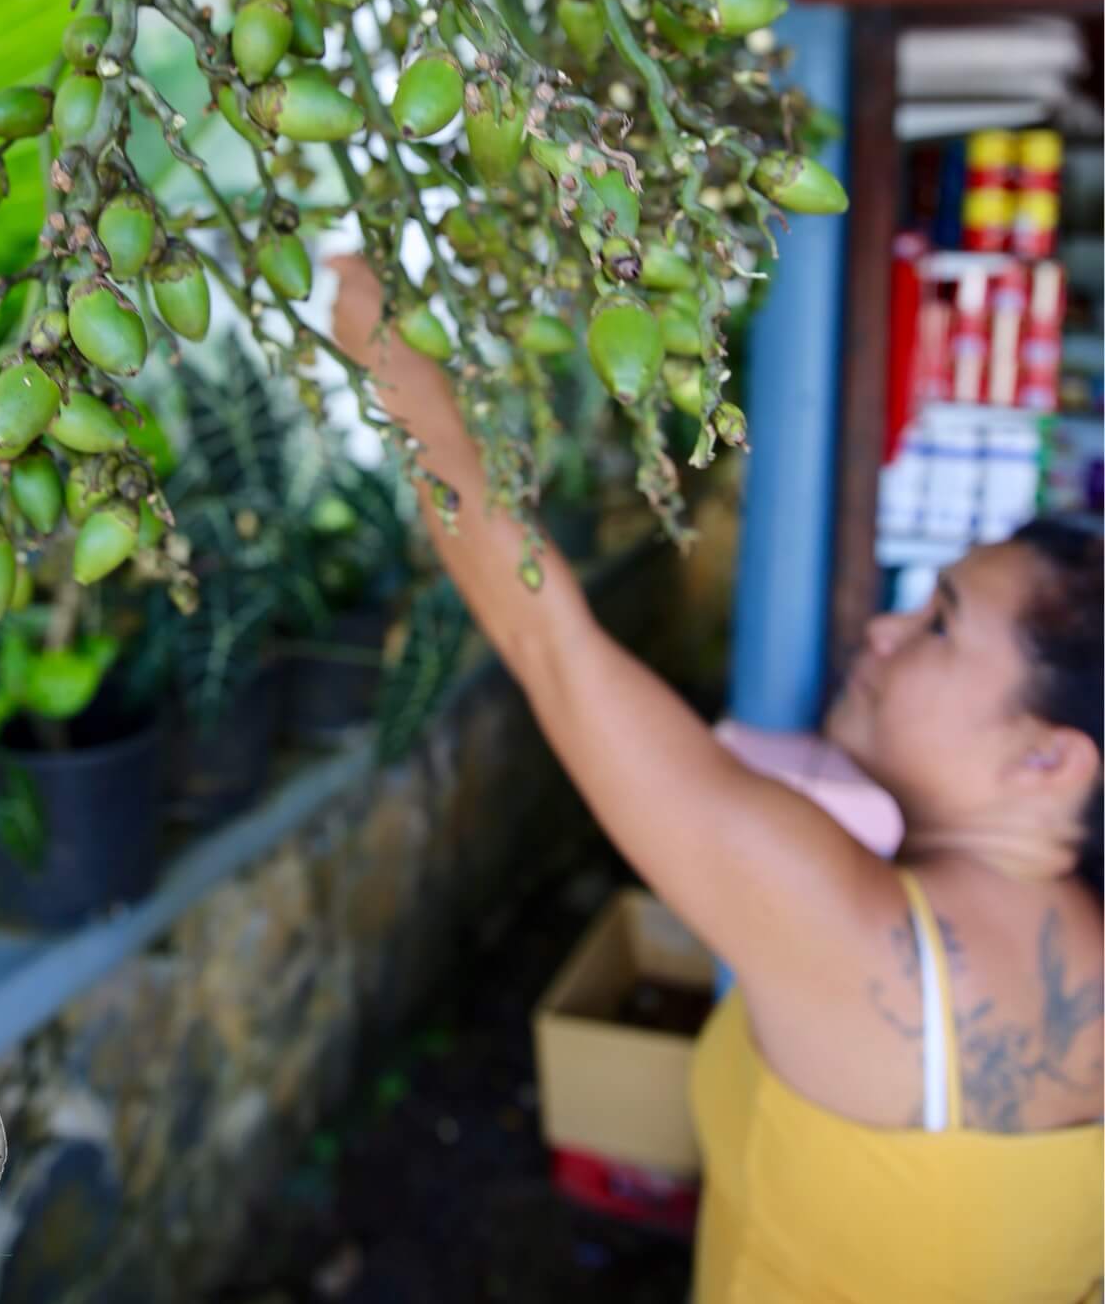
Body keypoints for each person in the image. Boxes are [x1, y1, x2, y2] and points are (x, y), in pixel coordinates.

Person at [327, 254, 1104, 1304]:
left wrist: (392, 356)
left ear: (1047, 759)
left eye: (937, 624)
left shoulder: (856, 935)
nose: (881, 628)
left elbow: (548, 640)